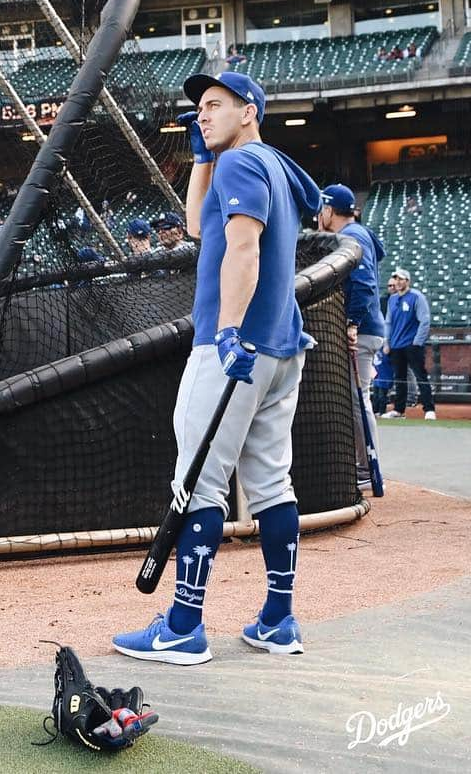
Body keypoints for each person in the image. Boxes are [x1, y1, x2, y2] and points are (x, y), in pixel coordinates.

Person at [113, 70, 321, 664]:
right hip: (282, 351)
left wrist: (228, 330)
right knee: (271, 485)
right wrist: (201, 157)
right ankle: (278, 621)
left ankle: (182, 626)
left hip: (232, 350)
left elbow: (242, 248)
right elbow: (198, 225)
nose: (201, 115)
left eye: (214, 106)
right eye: (199, 108)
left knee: (198, 481)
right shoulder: (265, 164)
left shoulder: (243, 163)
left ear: (248, 110)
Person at [316, 183, 386, 489]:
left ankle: (365, 466)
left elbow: (365, 282)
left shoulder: (352, 235)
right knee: (356, 399)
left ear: (330, 210)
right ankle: (364, 465)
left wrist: (352, 322)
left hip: (363, 329)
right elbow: (379, 253)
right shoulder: (362, 232)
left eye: (322, 208)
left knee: (358, 399)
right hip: (369, 327)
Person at [382, 267, 435, 420]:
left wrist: (417, 342)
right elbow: (389, 322)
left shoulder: (416, 297)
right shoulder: (392, 299)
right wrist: (387, 342)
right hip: (396, 345)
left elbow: (424, 321)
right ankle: (399, 410)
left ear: (407, 281)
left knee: (420, 376)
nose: (398, 282)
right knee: (399, 379)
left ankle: (429, 409)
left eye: (401, 279)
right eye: (396, 279)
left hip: (412, 345)